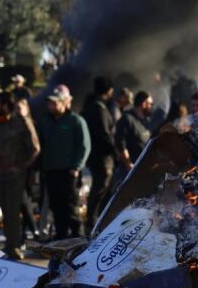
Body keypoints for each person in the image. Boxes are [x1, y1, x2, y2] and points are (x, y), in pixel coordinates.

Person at [0, 94, 40, 260]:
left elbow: (35, 148)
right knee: (5, 210)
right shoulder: (0, 123)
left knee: (13, 211)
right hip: (1, 174)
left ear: (6, 105)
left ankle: (15, 245)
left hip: (15, 175)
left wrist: (21, 167)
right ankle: (9, 243)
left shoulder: (21, 122)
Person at [38, 85, 90, 240]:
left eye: (55, 103)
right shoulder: (45, 122)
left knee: (71, 208)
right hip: (50, 171)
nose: (51, 106)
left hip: (68, 172)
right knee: (56, 207)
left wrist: (76, 167)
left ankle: (78, 239)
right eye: (50, 103)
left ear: (64, 103)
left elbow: (84, 146)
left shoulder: (76, 121)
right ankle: (61, 239)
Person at [82, 76, 116, 229]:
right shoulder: (99, 109)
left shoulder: (92, 106)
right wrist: (115, 152)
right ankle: (93, 224)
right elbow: (104, 135)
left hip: (97, 157)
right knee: (100, 191)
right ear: (108, 90)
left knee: (99, 191)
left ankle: (94, 222)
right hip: (102, 158)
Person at [114, 90, 153, 186]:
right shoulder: (127, 119)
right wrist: (129, 165)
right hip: (128, 172)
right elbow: (120, 144)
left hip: (143, 170)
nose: (152, 107)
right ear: (143, 104)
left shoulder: (145, 121)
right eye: (150, 104)